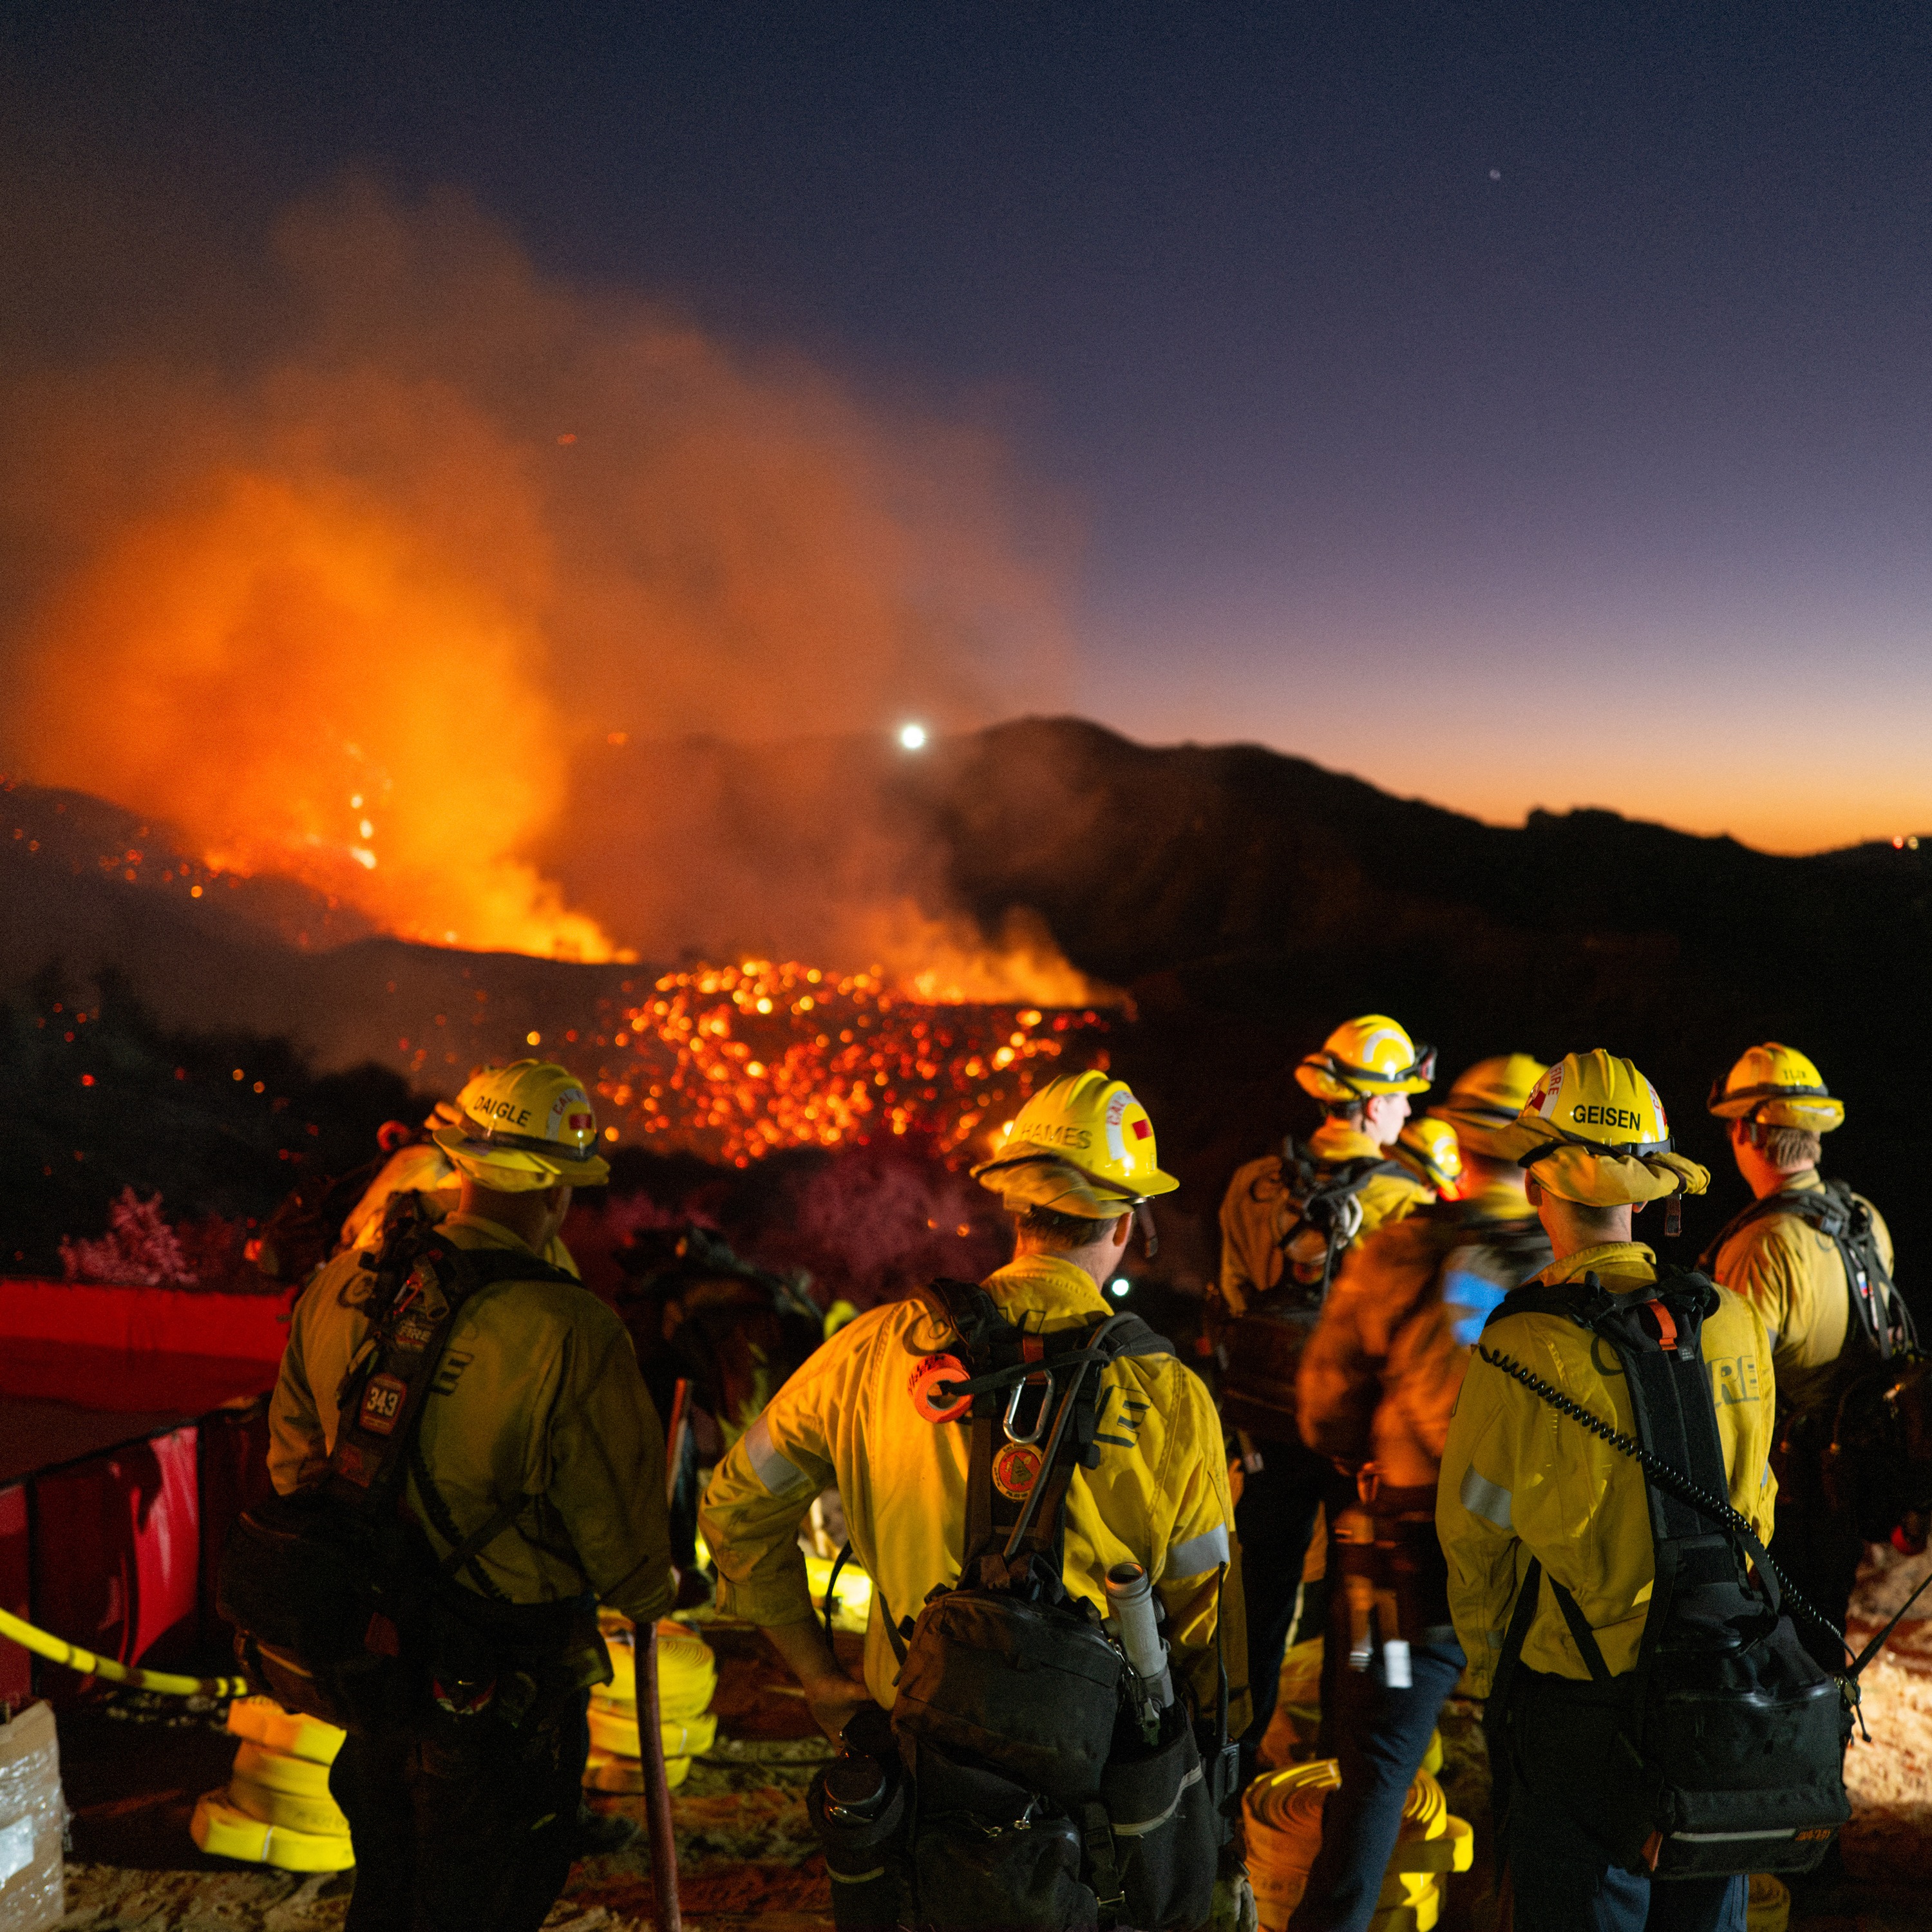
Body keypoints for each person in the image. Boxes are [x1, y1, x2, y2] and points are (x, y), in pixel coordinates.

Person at [699, 1073, 1245, 1885]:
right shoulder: (1169, 1395)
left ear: (1016, 1212)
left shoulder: (876, 1349)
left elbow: (734, 1507)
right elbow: (1209, 1620)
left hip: (910, 1774)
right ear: (1127, 1225)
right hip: (1094, 1788)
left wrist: (819, 1679)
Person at [267, 1059, 676, 1932]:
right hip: (502, 1687)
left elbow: (292, 1469)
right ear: (559, 1193)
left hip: (369, 1672)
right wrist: (653, 1593)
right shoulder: (572, 1328)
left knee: (383, 1888)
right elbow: (618, 1530)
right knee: (487, 1900)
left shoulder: (340, 1287)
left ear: (456, 1165)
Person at [1438, 1050, 1773, 1931]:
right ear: (1648, 1186)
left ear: (1542, 1181)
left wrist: (1489, 1676)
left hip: (1576, 1710)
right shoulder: (1731, 1321)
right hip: (1718, 1690)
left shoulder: (1519, 1348)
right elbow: (1758, 1507)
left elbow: (1477, 1534)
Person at [1286, 1056, 1549, 1931]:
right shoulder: (1563, 1267)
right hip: (1534, 1571)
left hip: (1400, 1567)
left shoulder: (1401, 1249)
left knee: (1374, 1765)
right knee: (1538, 1761)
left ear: (1461, 1141)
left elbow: (1323, 1411)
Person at [1214, 1016, 1435, 1762]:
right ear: (1372, 1108)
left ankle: (1231, 1761)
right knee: (1365, 1609)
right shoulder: (1409, 1203)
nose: (1409, 1112)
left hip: (1267, 1432)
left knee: (1260, 1600)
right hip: (1361, 1447)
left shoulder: (1251, 1185)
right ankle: (1358, 1761)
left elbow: (1233, 1302)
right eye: (1402, 1098)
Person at [1705, 1042, 1910, 1672]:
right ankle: (1824, 1753)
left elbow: (1731, 1392)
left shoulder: (1762, 1247)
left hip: (1785, 1501)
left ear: (1745, 1131)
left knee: (1773, 1658)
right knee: (1823, 1639)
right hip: (1853, 1482)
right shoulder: (1863, 1219)